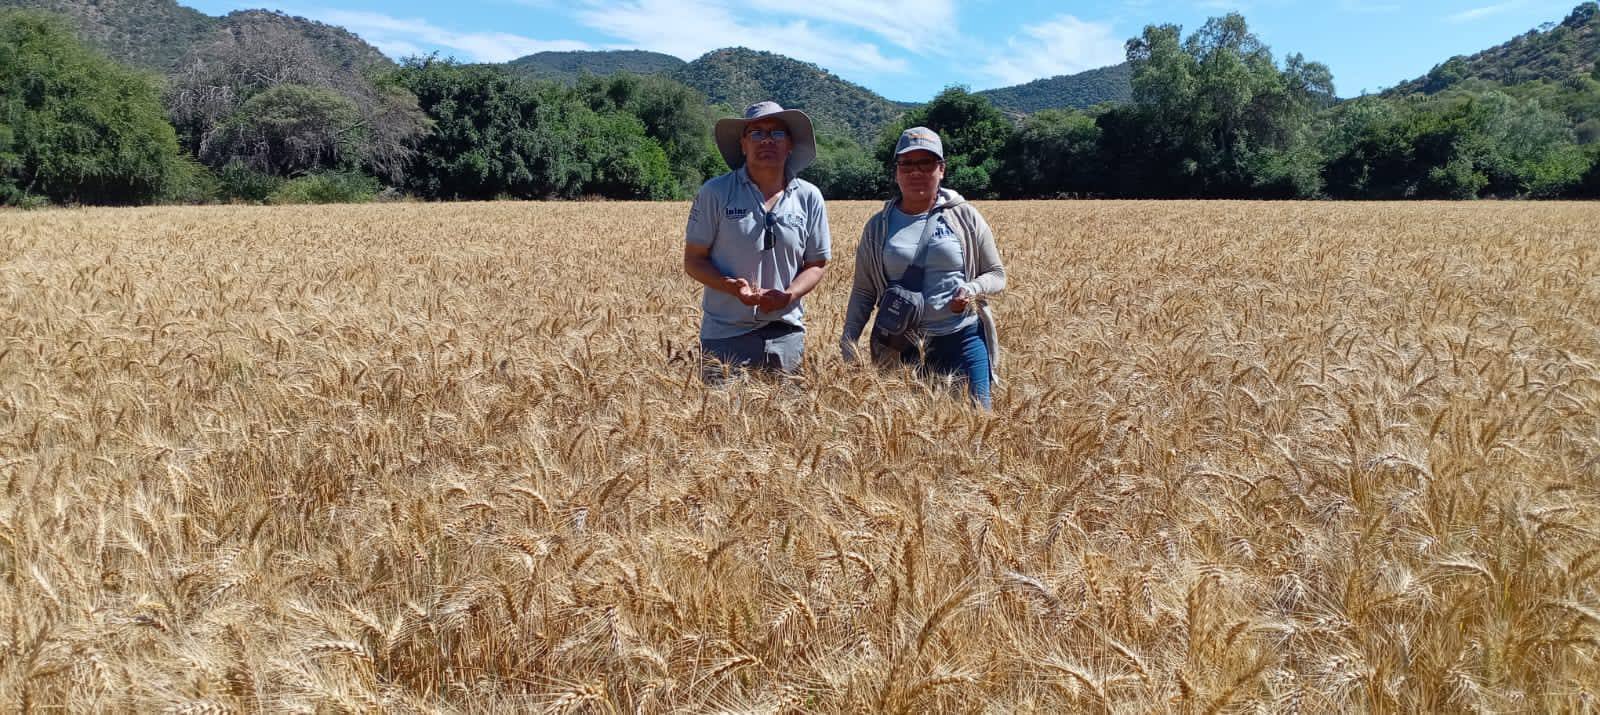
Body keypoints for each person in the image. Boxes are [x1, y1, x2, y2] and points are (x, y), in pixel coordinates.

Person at [839, 127, 1005, 408]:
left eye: (926, 163)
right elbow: (864, 292)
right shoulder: (878, 227)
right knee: (911, 437)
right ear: (897, 172)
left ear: (941, 169)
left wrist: (972, 288)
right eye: (907, 164)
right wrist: (849, 341)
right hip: (902, 346)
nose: (916, 172)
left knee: (979, 420)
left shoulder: (964, 216)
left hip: (962, 339)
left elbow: (997, 275)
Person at [684, 101, 831, 383]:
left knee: (784, 423)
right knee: (720, 423)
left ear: (790, 145)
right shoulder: (715, 192)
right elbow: (693, 260)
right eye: (756, 133)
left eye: (777, 133)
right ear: (743, 145)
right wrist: (730, 286)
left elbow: (817, 263)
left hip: (786, 333)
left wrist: (789, 295)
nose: (766, 140)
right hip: (725, 335)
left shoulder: (809, 197)